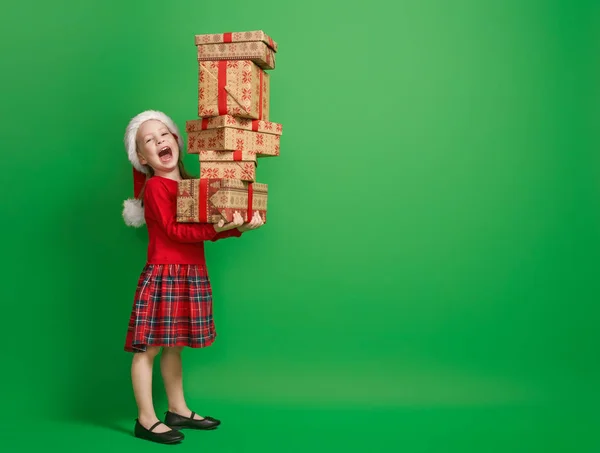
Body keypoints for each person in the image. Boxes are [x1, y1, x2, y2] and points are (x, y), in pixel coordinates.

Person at [121, 110, 264, 444]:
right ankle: (146, 419)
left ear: (176, 141)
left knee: (175, 347)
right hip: (165, 275)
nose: (159, 141)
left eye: (164, 134)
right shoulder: (156, 187)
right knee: (149, 348)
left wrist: (239, 226)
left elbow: (206, 229)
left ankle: (178, 410)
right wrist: (217, 229)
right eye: (149, 140)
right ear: (143, 157)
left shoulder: (191, 185)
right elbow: (175, 232)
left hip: (191, 273)